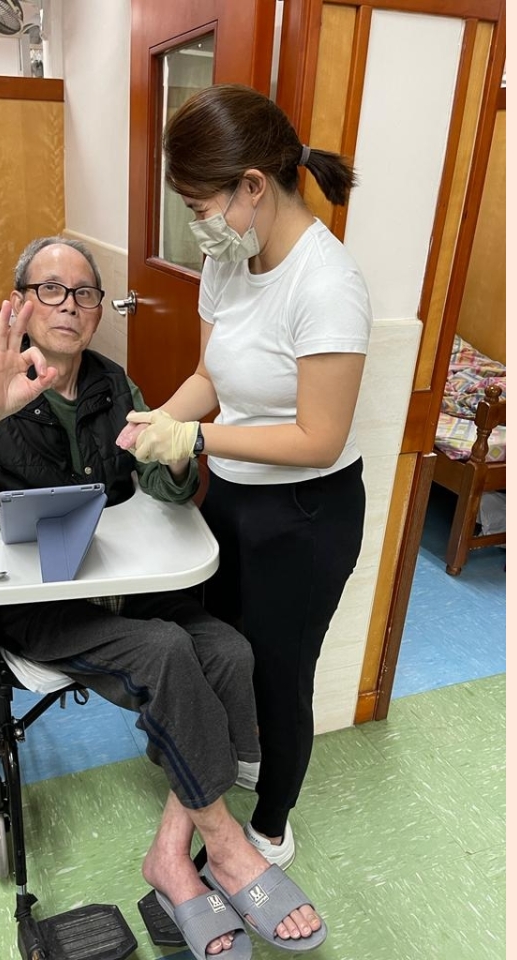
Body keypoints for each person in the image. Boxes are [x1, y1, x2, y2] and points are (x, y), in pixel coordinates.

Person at [0, 236, 327, 955]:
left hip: (122, 586)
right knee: (165, 651)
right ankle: (226, 848)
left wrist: (178, 454)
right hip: (40, 606)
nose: (69, 305)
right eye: (50, 289)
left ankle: (170, 853)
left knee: (227, 650)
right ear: (21, 303)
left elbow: (161, 487)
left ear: (100, 309)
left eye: (85, 293)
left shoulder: (112, 384)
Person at [118, 84, 372, 871]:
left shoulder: (326, 284)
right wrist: (157, 421)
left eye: (201, 206)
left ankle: (270, 828)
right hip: (229, 498)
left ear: (253, 186)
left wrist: (194, 435)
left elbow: (320, 439)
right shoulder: (227, 260)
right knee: (223, 651)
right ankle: (229, 768)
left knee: (281, 675)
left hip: (305, 515)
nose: (199, 224)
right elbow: (210, 374)